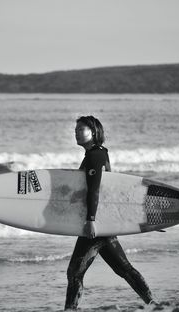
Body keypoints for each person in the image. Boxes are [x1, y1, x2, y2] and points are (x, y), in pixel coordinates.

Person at [64, 115, 154, 310]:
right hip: (103, 221)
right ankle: (154, 304)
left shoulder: (95, 155)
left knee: (74, 273)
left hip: (97, 222)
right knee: (124, 269)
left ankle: (70, 310)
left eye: (81, 129)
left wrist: (90, 220)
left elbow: (95, 189)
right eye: (76, 129)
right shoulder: (97, 153)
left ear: (94, 132)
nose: (76, 132)